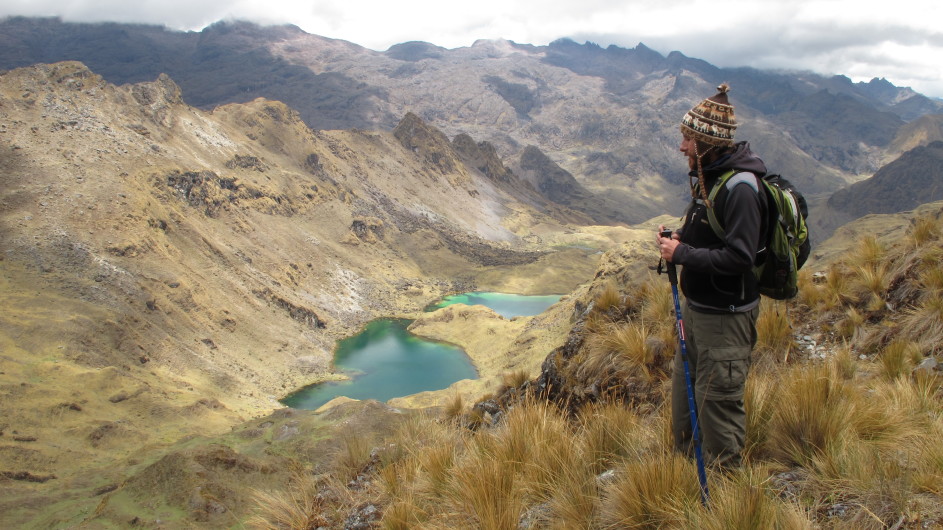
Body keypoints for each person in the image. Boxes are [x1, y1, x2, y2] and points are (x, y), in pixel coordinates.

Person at [656, 83, 768, 469]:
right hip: (699, 313)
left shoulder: (740, 188)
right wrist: (683, 238)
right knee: (686, 399)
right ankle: (688, 479)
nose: (682, 147)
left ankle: (725, 502)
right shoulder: (711, 177)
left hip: (726, 319)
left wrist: (681, 253)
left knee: (717, 406)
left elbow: (739, 256)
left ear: (706, 141)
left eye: (688, 138)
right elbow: (714, 234)